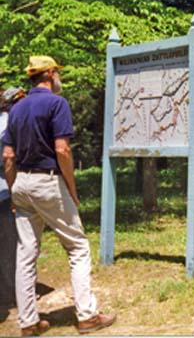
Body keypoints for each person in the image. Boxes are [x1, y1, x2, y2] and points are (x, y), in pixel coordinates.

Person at [1, 56, 116, 336]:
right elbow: (63, 150)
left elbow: (8, 156)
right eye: (57, 74)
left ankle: (28, 322)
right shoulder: (56, 103)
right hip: (47, 182)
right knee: (77, 247)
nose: (58, 78)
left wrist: (15, 191)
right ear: (50, 74)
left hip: (22, 184)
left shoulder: (15, 109)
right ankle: (87, 316)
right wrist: (72, 190)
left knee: (26, 254)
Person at [0, 87, 26, 308]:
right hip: (4, 192)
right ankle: (10, 293)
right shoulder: (9, 123)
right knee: (9, 244)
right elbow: (9, 159)